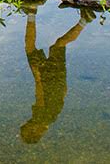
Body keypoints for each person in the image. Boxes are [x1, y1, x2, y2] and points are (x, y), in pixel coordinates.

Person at [21, 8, 92, 143]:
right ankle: (31, 12)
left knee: (59, 45)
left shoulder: (52, 119)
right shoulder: (40, 118)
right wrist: (37, 75)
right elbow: (40, 96)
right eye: (26, 128)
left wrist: (62, 80)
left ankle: (84, 21)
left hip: (58, 82)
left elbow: (63, 94)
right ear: (34, 130)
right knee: (30, 48)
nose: (24, 124)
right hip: (46, 79)